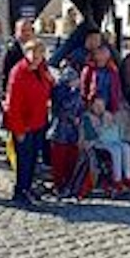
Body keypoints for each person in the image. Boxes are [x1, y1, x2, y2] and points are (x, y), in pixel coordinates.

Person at [5, 39, 54, 207]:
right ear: (26, 53)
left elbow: (48, 87)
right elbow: (13, 105)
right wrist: (18, 129)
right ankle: (20, 191)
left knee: (33, 158)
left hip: (38, 122)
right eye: (32, 52)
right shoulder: (18, 72)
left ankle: (28, 188)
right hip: (24, 125)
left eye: (39, 53)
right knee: (23, 160)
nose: (36, 56)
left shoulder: (41, 70)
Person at [82, 96, 130, 196]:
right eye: (97, 105)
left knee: (126, 147)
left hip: (111, 139)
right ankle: (117, 179)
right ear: (92, 106)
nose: (99, 108)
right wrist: (103, 126)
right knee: (116, 150)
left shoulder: (107, 114)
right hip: (97, 143)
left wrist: (111, 123)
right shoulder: (88, 117)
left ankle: (128, 176)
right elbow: (90, 135)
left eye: (101, 105)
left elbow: (115, 128)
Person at [47, 67, 84, 195]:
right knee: (59, 161)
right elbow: (63, 107)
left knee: (71, 159)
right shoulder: (59, 90)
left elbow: (80, 108)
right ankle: (59, 186)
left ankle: (69, 185)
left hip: (73, 131)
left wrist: (78, 117)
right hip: (60, 129)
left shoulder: (77, 91)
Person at [81, 46, 122, 114]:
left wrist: (115, 106)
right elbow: (84, 87)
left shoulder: (113, 71)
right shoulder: (89, 69)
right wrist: (87, 103)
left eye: (104, 55)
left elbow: (117, 89)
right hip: (92, 102)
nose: (101, 57)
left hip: (108, 104)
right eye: (99, 54)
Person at [2, 18, 35, 92]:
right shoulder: (10, 50)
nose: (27, 33)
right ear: (16, 32)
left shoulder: (36, 47)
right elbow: (6, 73)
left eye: (29, 30)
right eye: (23, 31)